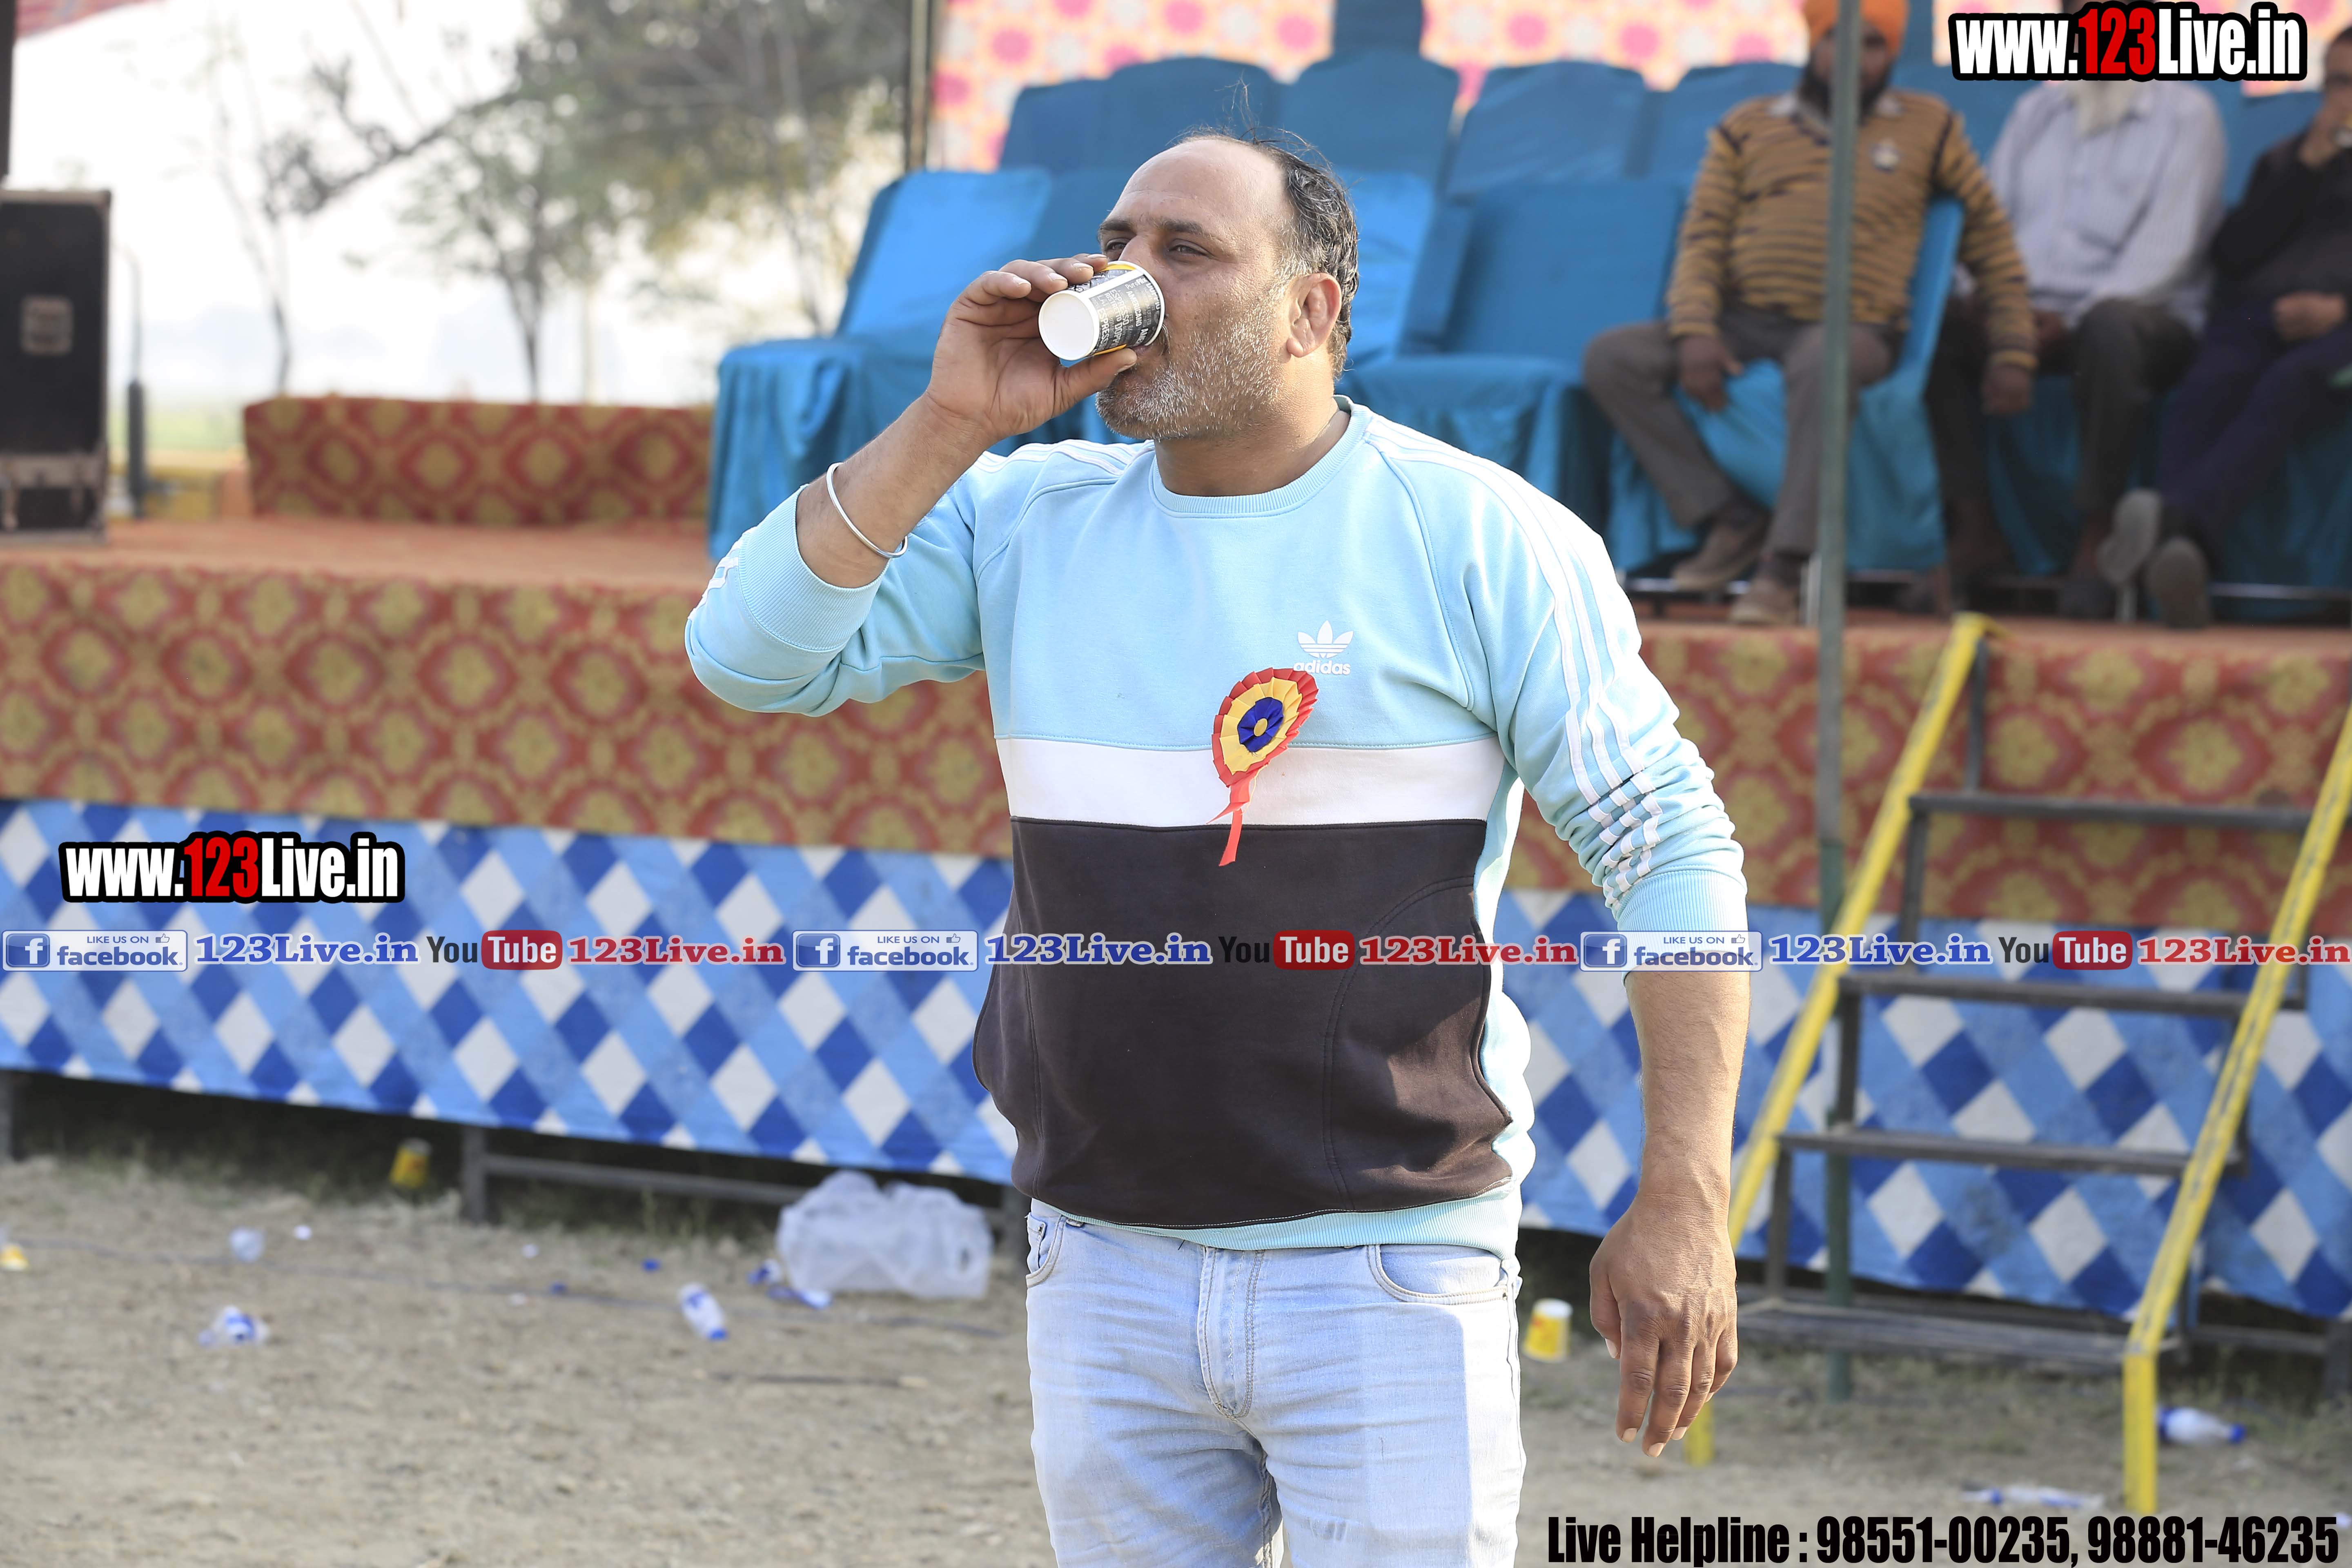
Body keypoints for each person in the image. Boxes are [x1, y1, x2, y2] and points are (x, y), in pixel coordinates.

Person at [688, 131, 1751, 1566]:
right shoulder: (1022, 516)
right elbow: (744, 656)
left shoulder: (1477, 534)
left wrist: (1686, 1194)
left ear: (1312, 311)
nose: (1127, 278)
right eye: (1120, 243)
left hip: (1388, 1262)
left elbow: (1669, 847)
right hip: (1098, 1250)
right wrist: (951, 420)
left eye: (1187, 251)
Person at [1584, 0, 2036, 626]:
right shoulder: (1748, 125)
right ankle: (1730, 516)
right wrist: (1695, 331)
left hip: (1856, 327)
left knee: (1825, 360)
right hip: (1745, 319)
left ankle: (1784, 567)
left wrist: (2014, 350)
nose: (1854, 58)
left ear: (1892, 54)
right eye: (1838, 40)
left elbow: (1992, 246)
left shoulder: (1929, 126)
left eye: (1874, 44)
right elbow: (1704, 238)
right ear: (1814, 43)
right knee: (1612, 358)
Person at [1927, 7, 2226, 618]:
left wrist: (2073, 317)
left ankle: (2098, 533)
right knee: (1934, 327)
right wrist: (1997, 304)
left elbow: (2168, 251)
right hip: (2027, 312)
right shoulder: (2037, 110)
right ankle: (1977, 525)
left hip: (2143, 316)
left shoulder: (2186, 114)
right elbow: (1989, 225)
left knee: (2111, 329)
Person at [2103, 28, 2352, 630]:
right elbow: (2234, 255)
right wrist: (2305, 171)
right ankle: (2182, 563)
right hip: (2257, 315)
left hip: (2342, 328)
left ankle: (2174, 525)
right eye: (2337, 83)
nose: (2345, 98)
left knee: (2291, 383)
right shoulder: (2286, 158)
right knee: (2208, 384)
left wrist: (2341, 309)